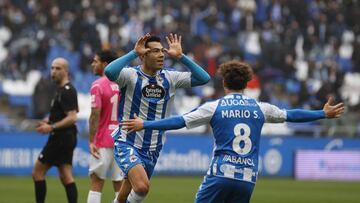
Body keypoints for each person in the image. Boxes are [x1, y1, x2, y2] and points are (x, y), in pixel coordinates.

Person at [121, 60, 345, 203]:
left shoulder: (215, 106)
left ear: (224, 83)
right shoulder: (260, 107)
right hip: (247, 179)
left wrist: (145, 124)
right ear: (246, 84)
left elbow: (178, 121)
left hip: (220, 175)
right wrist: (321, 114)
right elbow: (291, 115)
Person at [104, 33, 211, 203]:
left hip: (153, 147)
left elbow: (204, 78)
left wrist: (181, 57)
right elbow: (109, 71)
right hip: (127, 142)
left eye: (162, 51)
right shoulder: (130, 76)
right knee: (142, 187)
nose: (161, 54)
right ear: (143, 55)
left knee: (124, 195)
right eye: (155, 51)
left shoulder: (170, 77)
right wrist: (133, 53)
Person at [32, 58, 79, 203]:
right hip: (67, 137)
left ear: (66, 71)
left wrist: (51, 127)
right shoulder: (61, 90)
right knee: (66, 176)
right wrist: (49, 120)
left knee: (37, 173)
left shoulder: (67, 91)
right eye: (52, 68)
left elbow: (72, 117)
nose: (53, 71)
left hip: (60, 138)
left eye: (58, 68)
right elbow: (68, 113)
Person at [87, 50, 124, 203]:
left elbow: (95, 114)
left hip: (103, 139)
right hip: (122, 139)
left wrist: (91, 140)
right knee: (120, 185)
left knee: (96, 182)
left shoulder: (98, 85)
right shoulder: (123, 83)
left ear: (106, 65)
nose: (92, 64)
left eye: (96, 61)